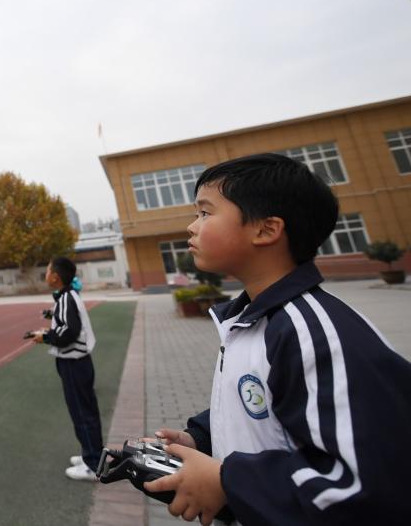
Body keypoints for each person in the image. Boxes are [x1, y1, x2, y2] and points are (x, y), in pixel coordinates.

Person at [144, 153, 411, 525]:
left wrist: (227, 481)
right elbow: (264, 405)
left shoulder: (313, 335)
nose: (191, 226)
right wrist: (201, 439)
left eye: (205, 213)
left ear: (266, 230)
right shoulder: (249, 320)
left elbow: (365, 485)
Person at [28, 256, 103, 481]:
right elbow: (66, 324)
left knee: (82, 413)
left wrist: (45, 337)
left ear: (55, 277)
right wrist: (50, 327)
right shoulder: (67, 296)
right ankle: (92, 454)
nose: (45, 275)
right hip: (76, 362)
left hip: (74, 363)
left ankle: (92, 465)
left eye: (47, 271)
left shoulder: (67, 298)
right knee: (85, 411)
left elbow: (69, 332)